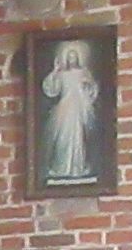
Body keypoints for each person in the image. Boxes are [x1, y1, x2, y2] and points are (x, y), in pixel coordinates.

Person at [40, 40, 100, 183]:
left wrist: (88, 85)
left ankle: (77, 168)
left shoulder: (83, 72)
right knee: (63, 138)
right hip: (65, 108)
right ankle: (61, 168)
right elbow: (51, 90)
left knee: (78, 138)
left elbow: (91, 90)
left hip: (78, 108)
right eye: (69, 56)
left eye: (74, 56)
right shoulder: (61, 73)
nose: (72, 59)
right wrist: (55, 71)